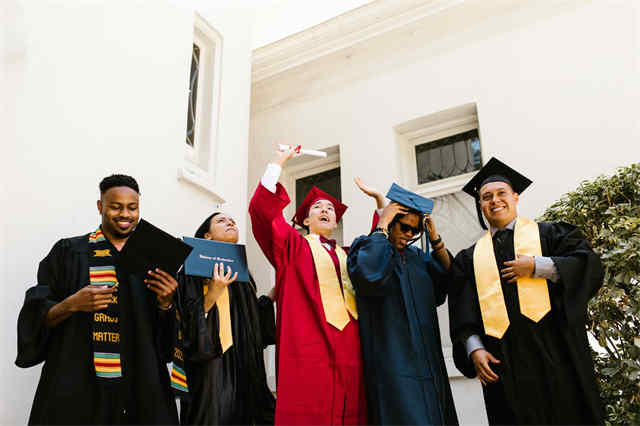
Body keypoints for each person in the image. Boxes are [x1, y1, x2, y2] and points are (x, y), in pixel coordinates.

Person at [448, 157, 604, 425]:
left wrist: (536, 266)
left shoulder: (550, 235)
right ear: (481, 205)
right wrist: (474, 350)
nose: (495, 200)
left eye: (501, 193)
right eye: (486, 197)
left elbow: (587, 264)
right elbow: (463, 309)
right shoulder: (469, 258)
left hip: (558, 355)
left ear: (515, 197)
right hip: (504, 365)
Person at [16, 174, 182, 424]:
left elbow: (166, 341)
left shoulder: (154, 257)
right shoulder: (68, 252)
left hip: (140, 385)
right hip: (78, 384)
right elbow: (36, 317)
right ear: (100, 206)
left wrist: (166, 303)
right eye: (115, 206)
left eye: (132, 207)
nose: (125, 214)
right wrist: (72, 304)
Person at [248, 146, 383, 425]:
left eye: (330, 209)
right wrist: (279, 161)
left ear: (336, 221)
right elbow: (263, 212)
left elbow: (379, 248)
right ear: (305, 220)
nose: (325, 210)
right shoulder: (291, 248)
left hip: (352, 346)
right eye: (317, 207)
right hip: (309, 347)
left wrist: (380, 202)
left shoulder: (350, 255)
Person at [347, 183, 458, 425]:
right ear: (391, 221)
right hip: (392, 360)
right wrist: (382, 223)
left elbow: (449, 281)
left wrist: (435, 239)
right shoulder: (367, 247)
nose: (409, 235)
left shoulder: (419, 258)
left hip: (428, 359)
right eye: (404, 227)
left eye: (415, 231)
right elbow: (368, 276)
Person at [173, 212, 276, 425]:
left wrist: (274, 293)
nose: (230, 223)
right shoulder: (192, 269)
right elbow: (185, 321)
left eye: (233, 222)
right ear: (207, 235)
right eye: (221, 221)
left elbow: (252, 318)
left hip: (245, 361)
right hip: (212, 364)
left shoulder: (242, 274)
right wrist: (213, 292)